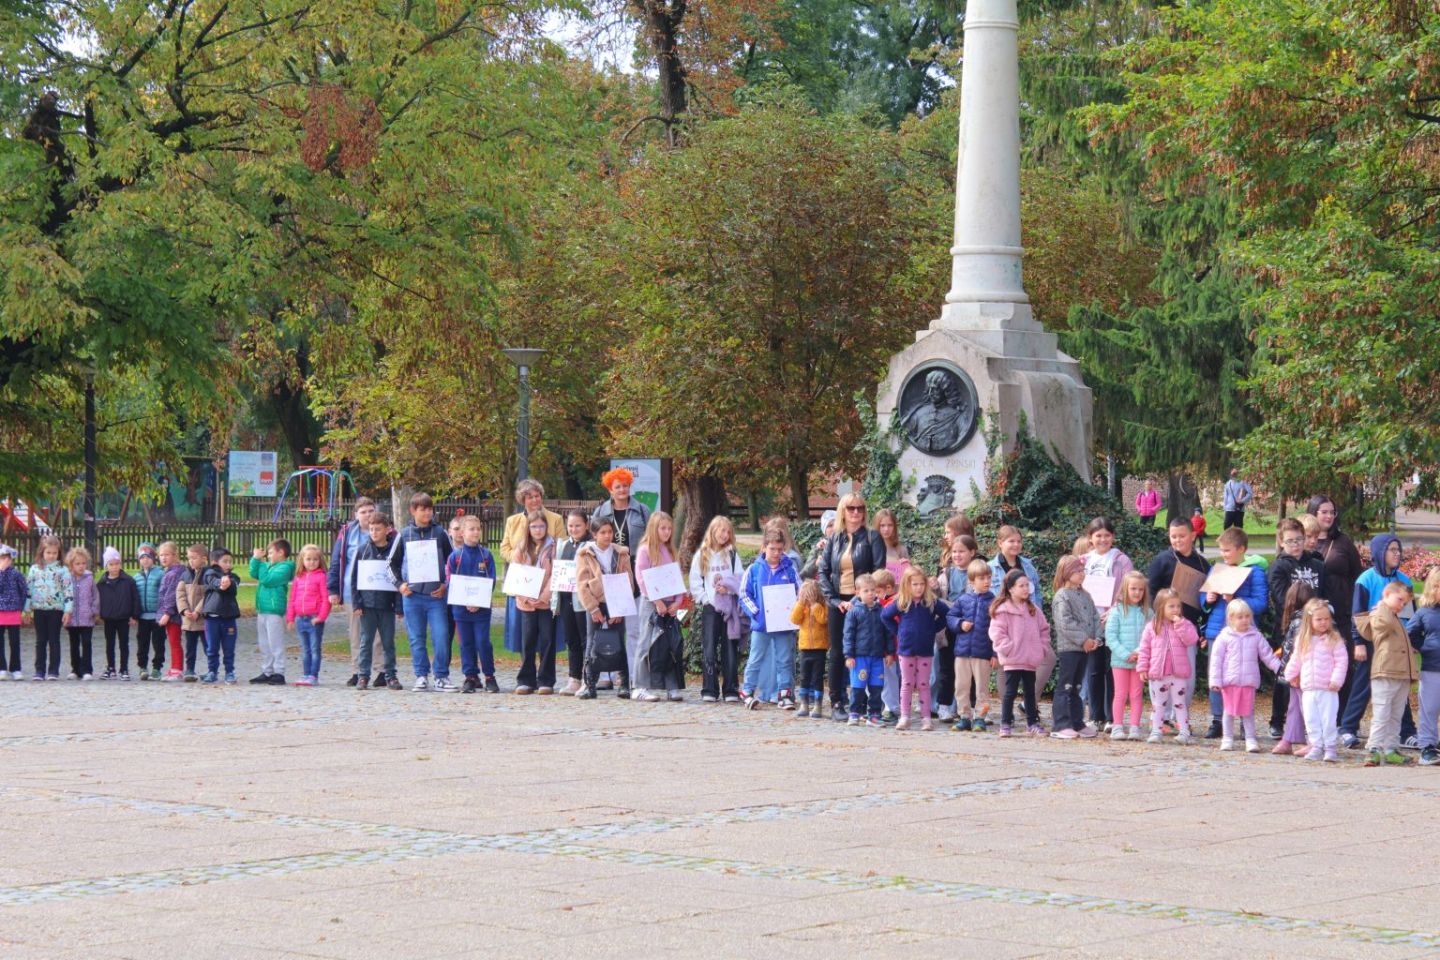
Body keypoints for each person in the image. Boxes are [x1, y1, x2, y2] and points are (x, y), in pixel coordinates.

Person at [1339, 532, 1415, 750]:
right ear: (1380, 552)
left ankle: (1407, 732)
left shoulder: (1404, 580)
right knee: (1363, 685)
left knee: (1400, 687)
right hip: (1373, 640)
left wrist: (1410, 640)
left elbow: (1410, 614)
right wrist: (1359, 642)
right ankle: (1348, 728)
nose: (1397, 554)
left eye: (1398, 550)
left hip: (1397, 643)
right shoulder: (1366, 580)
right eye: (1392, 550)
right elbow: (1358, 614)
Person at [817, 493, 886, 722]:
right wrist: (837, 601)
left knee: (865, 652)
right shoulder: (835, 538)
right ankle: (837, 700)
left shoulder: (872, 537)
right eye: (851, 508)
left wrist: (859, 600)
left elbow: (878, 571)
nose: (856, 512)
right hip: (838, 602)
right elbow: (824, 572)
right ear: (842, 511)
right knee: (838, 652)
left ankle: (866, 704)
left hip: (863, 603)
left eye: (860, 508)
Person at [1201, 527, 1269, 737]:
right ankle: (1217, 719)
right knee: (1217, 673)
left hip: (1244, 633)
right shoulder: (1217, 569)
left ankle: (1243, 718)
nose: (1223, 554)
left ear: (1241, 549)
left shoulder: (1255, 572)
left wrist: (1236, 600)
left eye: (1227, 550)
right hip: (1218, 629)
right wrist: (1208, 599)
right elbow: (1202, 599)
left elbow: (1260, 603)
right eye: (1221, 550)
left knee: (1242, 676)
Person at [1146, 515, 1211, 729]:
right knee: (1161, 672)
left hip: (1188, 628)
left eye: (1181, 536)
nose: (1177, 540)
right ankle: (1160, 717)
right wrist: (1161, 613)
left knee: (1186, 674)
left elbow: (1206, 599)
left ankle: (1179, 716)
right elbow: (1150, 591)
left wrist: (1203, 625)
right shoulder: (1162, 560)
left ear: (1193, 535)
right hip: (1163, 628)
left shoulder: (1202, 563)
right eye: (1173, 536)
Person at [1306, 495, 1365, 724]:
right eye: (1324, 512)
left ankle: (1343, 719)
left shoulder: (1343, 542)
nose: (1329, 516)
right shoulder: (1306, 542)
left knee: (1343, 664)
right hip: (1314, 614)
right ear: (1313, 513)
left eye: (1332, 512)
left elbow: (1357, 575)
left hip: (1341, 611)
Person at [389, 492, 455, 692]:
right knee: (416, 637)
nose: (427, 512)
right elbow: (391, 564)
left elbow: (453, 563)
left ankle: (441, 676)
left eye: (429, 508)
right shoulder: (404, 534)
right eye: (422, 509)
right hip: (413, 597)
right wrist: (400, 585)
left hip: (436, 597)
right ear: (413, 511)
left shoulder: (441, 533)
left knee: (441, 635)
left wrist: (445, 584)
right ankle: (421, 675)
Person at [1266, 518, 1325, 736]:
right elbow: (1282, 599)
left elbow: (1324, 593)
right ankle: (1277, 720)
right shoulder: (1278, 567)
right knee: (1285, 675)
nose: (1296, 544)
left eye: (1300, 539)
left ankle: (1307, 722)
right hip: (1287, 630)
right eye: (1290, 541)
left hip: (1316, 628)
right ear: (1281, 542)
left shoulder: (1317, 565)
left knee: (1312, 676)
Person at [989, 526, 1054, 706]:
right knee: (1004, 666)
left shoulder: (1027, 566)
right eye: (1011, 541)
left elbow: (1037, 594)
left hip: (1027, 623)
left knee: (1048, 658)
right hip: (1003, 623)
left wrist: (1037, 617)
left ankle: (1029, 702)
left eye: (1018, 541)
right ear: (1000, 543)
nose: (1016, 544)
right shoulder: (990, 568)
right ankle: (1006, 711)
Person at [1356, 581, 1416, 766]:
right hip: (1385, 672)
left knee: (1396, 714)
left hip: (1400, 674)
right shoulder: (1379, 614)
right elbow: (1384, 625)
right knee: (1382, 713)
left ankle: (1391, 748)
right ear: (1387, 594)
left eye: (1405, 604)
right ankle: (1373, 748)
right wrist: (1383, 605)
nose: (1401, 605)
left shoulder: (1393, 616)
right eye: (1399, 600)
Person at [1207, 599, 1280, 753]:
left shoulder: (1256, 636)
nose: (1245, 620)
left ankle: (1250, 739)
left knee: (1248, 712)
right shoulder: (1224, 637)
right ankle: (1227, 738)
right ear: (1231, 618)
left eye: (1247, 616)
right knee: (1228, 711)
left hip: (1248, 681)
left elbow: (1267, 655)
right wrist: (1215, 680)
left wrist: (1279, 668)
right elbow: (1216, 660)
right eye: (1240, 617)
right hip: (1229, 681)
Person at [741, 528, 801, 711]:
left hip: (783, 625)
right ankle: (748, 690)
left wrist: (794, 612)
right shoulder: (754, 569)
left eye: (780, 550)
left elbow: (799, 592)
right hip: (761, 625)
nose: (776, 553)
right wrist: (756, 612)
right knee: (756, 658)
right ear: (764, 547)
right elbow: (744, 594)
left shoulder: (789, 568)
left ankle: (785, 693)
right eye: (772, 549)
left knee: (784, 659)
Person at [503, 481, 566, 656]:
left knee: (546, 635)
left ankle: (545, 675)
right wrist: (522, 560)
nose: (534, 500)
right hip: (523, 584)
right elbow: (504, 548)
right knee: (525, 635)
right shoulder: (512, 521)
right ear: (523, 499)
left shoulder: (556, 519)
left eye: (537, 495)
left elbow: (561, 549)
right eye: (530, 497)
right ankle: (526, 674)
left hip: (547, 585)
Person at [882, 566, 948, 731]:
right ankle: (905, 716)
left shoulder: (931, 602)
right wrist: (898, 631)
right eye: (914, 584)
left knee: (924, 683)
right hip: (906, 649)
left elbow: (948, 614)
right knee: (907, 683)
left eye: (921, 584)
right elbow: (885, 616)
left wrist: (933, 628)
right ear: (907, 585)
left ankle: (926, 717)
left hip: (925, 649)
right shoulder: (902, 602)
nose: (918, 588)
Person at [689, 515, 745, 703]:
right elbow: (696, 581)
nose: (725, 534)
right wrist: (706, 599)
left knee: (730, 648)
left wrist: (728, 588)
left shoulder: (732, 555)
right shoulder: (702, 555)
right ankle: (709, 688)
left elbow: (739, 578)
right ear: (713, 531)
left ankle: (730, 688)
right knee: (710, 648)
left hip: (729, 607)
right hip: (711, 608)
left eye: (728, 531)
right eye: (722, 530)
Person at [574, 516, 632, 699]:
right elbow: (582, 584)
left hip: (616, 602)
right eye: (603, 532)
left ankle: (624, 683)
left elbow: (628, 581)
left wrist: (620, 608)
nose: (607, 536)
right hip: (596, 603)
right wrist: (593, 608)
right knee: (592, 643)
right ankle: (589, 684)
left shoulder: (621, 553)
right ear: (594, 534)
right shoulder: (585, 554)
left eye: (610, 532)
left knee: (619, 642)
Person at [1083, 517, 1133, 729]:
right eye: (1098, 535)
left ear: (1113, 537)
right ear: (1090, 538)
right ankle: (1095, 715)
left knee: (1113, 670)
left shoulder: (1122, 561)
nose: (1102, 539)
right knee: (1094, 670)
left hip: (1114, 621)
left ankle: (1113, 717)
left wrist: (1112, 612)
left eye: (1106, 535)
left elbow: (1128, 589)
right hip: (1090, 622)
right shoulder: (1084, 560)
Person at [988, 568, 1049, 738]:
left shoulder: (1034, 609)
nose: (1025, 589)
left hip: (1030, 660)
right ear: (1010, 588)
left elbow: (1044, 630)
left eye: (1027, 585)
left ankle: (1032, 723)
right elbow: (996, 633)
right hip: (1012, 659)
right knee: (1010, 692)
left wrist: (1041, 649)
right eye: (1021, 585)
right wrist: (1008, 648)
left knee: (1030, 693)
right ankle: (1006, 722)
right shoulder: (1002, 610)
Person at [1286, 598, 1348, 762]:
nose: (1323, 623)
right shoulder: (1302, 640)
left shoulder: (1334, 640)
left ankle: (1330, 747)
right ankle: (1316, 746)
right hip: (1308, 687)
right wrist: (1291, 675)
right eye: (1319, 619)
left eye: (1326, 619)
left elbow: (1341, 662)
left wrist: (1336, 680)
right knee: (1311, 719)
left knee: (1328, 720)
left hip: (1328, 688)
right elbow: (1296, 659)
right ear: (1310, 620)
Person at [327, 497, 379, 687]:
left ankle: (381, 670)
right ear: (356, 514)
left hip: (378, 590)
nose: (367, 515)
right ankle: (357, 670)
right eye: (363, 512)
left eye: (370, 510)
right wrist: (333, 588)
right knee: (356, 633)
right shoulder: (347, 532)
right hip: (352, 590)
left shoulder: (385, 530)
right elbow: (336, 560)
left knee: (379, 634)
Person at [1137, 589, 1199, 744]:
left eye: (1178, 606)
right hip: (1159, 673)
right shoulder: (1152, 627)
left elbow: (1191, 639)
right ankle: (1156, 731)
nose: (1176, 610)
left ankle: (1184, 731)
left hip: (1178, 674)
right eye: (1171, 606)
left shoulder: (1185, 624)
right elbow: (1144, 648)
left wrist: (1181, 625)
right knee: (1158, 704)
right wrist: (1142, 668)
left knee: (1180, 703)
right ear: (1160, 608)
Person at [1050, 556, 1101, 739]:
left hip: (1085, 648)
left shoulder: (1086, 595)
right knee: (1066, 685)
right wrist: (1083, 640)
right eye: (1077, 571)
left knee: (1077, 686)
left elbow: (1095, 617)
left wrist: (1096, 638)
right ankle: (1061, 724)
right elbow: (1065, 623)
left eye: (1082, 571)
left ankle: (1077, 722)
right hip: (1070, 648)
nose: (1081, 574)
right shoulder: (1062, 595)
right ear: (1066, 573)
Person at [446, 515, 498, 694]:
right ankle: (470, 676)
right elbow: (450, 581)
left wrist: (477, 602)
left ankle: (489, 676)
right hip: (461, 610)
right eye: (471, 529)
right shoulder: (455, 557)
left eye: (478, 529)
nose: (475, 532)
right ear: (461, 532)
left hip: (481, 610)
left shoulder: (486, 555)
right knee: (466, 643)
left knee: (483, 642)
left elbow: (491, 580)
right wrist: (466, 602)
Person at [352, 512, 401, 690]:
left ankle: (390, 675)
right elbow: (355, 579)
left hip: (387, 604)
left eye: (378, 529)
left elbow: (398, 578)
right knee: (366, 641)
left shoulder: (393, 552)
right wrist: (357, 603)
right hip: (367, 605)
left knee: (388, 642)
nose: (374, 532)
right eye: (371, 529)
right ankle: (363, 675)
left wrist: (399, 606)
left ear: (387, 530)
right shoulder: (363, 550)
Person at [946, 558, 996, 732]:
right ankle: (964, 717)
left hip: (982, 652)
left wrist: (995, 654)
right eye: (982, 578)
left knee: (982, 688)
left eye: (989, 577)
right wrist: (960, 624)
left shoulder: (994, 601)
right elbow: (950, 617)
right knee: (961, 686)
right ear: (972, 580)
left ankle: (980, 717)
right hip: (962, 652)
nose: (987, 581)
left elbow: (998, 629)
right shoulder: (963, 599)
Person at [512, 510, 558, 696]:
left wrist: (544, 596)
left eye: (541, 526)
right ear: (528, 528)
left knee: (547, 640)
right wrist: (525, 596)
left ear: (546, 527)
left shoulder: (553, 547)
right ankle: (526, 680)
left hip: (545, 603)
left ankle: (546, 680)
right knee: (528, 640)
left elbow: (555, 573)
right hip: (527, 604)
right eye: (534, 526)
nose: (538, 530)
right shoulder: (521, 548)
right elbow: (516, 574)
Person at [1270, 582, 1317, 756]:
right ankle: (1289, 739)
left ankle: (1313, 741)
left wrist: (1293, 671)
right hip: (1297, 672)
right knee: (1295, 707)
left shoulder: (1300, 621)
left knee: (1305, 708)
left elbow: (1300, 650)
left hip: (1300, 673)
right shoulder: (1299, 620)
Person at [841, 573, 890, 727]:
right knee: (858, 686)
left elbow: (887, 633)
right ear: (858, 593)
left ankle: (874, 715)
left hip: (877, 656)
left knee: (876, 686)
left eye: (873, 590)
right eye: (866, 591)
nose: (870, 594)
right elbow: (848, 635)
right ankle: (854, 713)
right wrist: (848, 655)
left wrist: (889, 652)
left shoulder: (881, 611)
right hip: (859, 657)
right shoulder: (854, 612)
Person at [1105, 572, 1150, 741]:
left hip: (1139, 661)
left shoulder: (1148, 613)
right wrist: (1125, 654)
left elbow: (1149, 636)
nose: (1137, 592)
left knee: (1137, 694)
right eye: (1133, 588)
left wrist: (1138, 652)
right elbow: (1111, 637)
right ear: (1125, 589)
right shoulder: (1116, 611)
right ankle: (1117, 726)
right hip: (1120, 661)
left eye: (1140, 589)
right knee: (1120, 694)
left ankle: (1135, 727)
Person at [553, 510, 591, 696]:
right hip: (566, 598)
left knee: (586, 640)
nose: (574, 529)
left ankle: (587, 678)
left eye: (578, 525)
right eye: (570, 526)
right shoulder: (563, 546)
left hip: (583, 601)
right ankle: (573, 678)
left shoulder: (590, 546)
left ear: (586, 525)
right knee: (571, 640)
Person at [249, 538, 296, 685]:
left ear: (281, 553)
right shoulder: (269, 566)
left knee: (275, 643)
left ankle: (279, 672)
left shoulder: (285, 568)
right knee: (264, 643)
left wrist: (261, 564)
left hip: (274, 610)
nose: (268, 556)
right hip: (262, 609)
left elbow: (267, 580)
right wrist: (255, 560)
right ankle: (267, 671)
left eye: (270, 553)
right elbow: (253, 573)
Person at [23, 536, 69, 682]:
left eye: (54, 553)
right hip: (39, 609)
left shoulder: (63, 570)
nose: (51, 556)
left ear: (59, 553)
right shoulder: (34, 569)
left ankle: (53, 670)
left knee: (54, 640)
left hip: (56, 610)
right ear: (42, 552)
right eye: (48, 552)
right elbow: (28, 590)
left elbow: (68, 590)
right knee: (40, 640)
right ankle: (39, 670)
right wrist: (26, 609)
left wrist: (68, 610)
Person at [286, 544, 332, 686]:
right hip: (301, 618)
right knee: (305, 649)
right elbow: (292, 599)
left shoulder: (322, 577)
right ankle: (306, 674)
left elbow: (326, 599)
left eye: (315, 559)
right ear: (302, 560)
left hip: (314, 619)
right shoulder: (298, 578)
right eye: (308, 559)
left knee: (314, 649)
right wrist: (290, 618)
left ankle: (313, 675)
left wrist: (321, 617)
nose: (311, 562)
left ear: (320, 561)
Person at [1407, 569, 1440, 766]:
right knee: (1429, 708)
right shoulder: (1424, 612)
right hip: (1432, 669)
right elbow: (1410, 633)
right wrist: (1424, 647)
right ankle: (1427, 746)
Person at [96, 546, 141, 680]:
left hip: (124, 617)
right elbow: (98, 600)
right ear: (106, 566)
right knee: (109, 643)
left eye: (117, 564)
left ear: (120, 564)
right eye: (111, 564)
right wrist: (99, 614)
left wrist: (135, 616)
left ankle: (124, 668)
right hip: (108, 617)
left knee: (123, 643)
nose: (114, 567)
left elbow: (135, 599)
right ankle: (111, 667)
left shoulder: (128, 581)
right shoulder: (102, 583)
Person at [200, 548, 241, 684]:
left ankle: (229, 672)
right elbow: (212, 582)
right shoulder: (209, 573)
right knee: (212, 647)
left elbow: (233, 586)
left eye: (230, 561)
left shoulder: (233, 577)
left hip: (229, 619)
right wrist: (220, 584)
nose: (228, 564)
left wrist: (227, 584)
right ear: (215, 562)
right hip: (212, 619)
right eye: (225, 561)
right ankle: (212, 671)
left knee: (229, 648)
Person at [790, 580, 829, 718]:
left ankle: (818, 704)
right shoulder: (802, 607)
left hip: (819, 648)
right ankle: (804, 703)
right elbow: (794, 619)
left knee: (817, 677)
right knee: (804, 676)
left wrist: (815, 605)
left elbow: (823, 620)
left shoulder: (822, 606)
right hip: (805, 648)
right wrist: (801, 603)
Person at [175, 543, 209, 682]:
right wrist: (185, 610)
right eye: (189, 558)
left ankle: (211, 668)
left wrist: (198, 611)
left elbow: (208, 595)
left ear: (204, 559)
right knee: (190, 646)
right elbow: (180, 593)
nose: (191, 561)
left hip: (202, 619)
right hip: (189, 619)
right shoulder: (185, 574)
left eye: (194, 558)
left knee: (208, 645)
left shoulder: (208, 574)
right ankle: (190, 669)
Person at [64, 546, 97, 682]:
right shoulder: (67, 579)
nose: (81, 566)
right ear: (71, 564)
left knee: (87, 643)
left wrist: (94, 610)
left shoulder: (89, 578)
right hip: (72, 619)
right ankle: (75, 669)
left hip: (87, 618)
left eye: (83, 563)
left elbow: (95, 596)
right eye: (77, 563)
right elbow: (64, 596)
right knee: (74, 644)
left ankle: (87, 669)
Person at [133, 544, 166, 680]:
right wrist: (134, 615)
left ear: (153, 558)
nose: (145, 560)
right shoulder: (136, 577)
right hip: (142, 617)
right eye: (142, 557)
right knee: (142, 643)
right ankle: (142, 667)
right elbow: (134, 597)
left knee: (158, 643)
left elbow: (164, 594)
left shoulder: (160, 574)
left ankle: (157, 668)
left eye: (148, 557)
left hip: (157, 616)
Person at [155, 541, 186, 680]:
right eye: (161, 555)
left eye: (167, 555)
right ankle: (174, 667)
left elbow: (171, 595)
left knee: (174, 641)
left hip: (173, 615)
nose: (163, 558)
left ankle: (177, 669)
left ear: (175, 555)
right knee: (172, 641)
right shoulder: (169, 571)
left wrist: (167, 613)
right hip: (170, 613)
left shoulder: (175, 573)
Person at [0, 545, 26, 678]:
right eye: (1, 558)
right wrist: (1, 572)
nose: (4, 561)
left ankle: (16, 668)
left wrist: (21, 607)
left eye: (6, 558)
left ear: (11, 559)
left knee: (14, 641)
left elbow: (23, 590)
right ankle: (1, 668)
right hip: (0, 612)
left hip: (14, 611)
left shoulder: (16, 573)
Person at [873, 509, 909, 581]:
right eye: (882, 525)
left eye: (890, 525)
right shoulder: (870, 549)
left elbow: (907, 578)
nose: (886, 529)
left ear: (894, 527)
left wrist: (907, 567)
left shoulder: (901, 550)